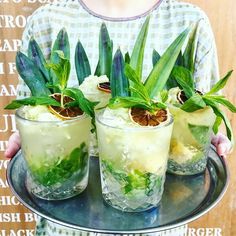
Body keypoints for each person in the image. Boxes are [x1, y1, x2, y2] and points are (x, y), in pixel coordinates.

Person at [4, 0, 232, 235]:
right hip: (64, 224)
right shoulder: (48, 20)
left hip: (155, 219)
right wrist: (27, 138)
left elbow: (202, 109)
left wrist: (208, 138)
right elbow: (31, 109)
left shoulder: (190, 22)